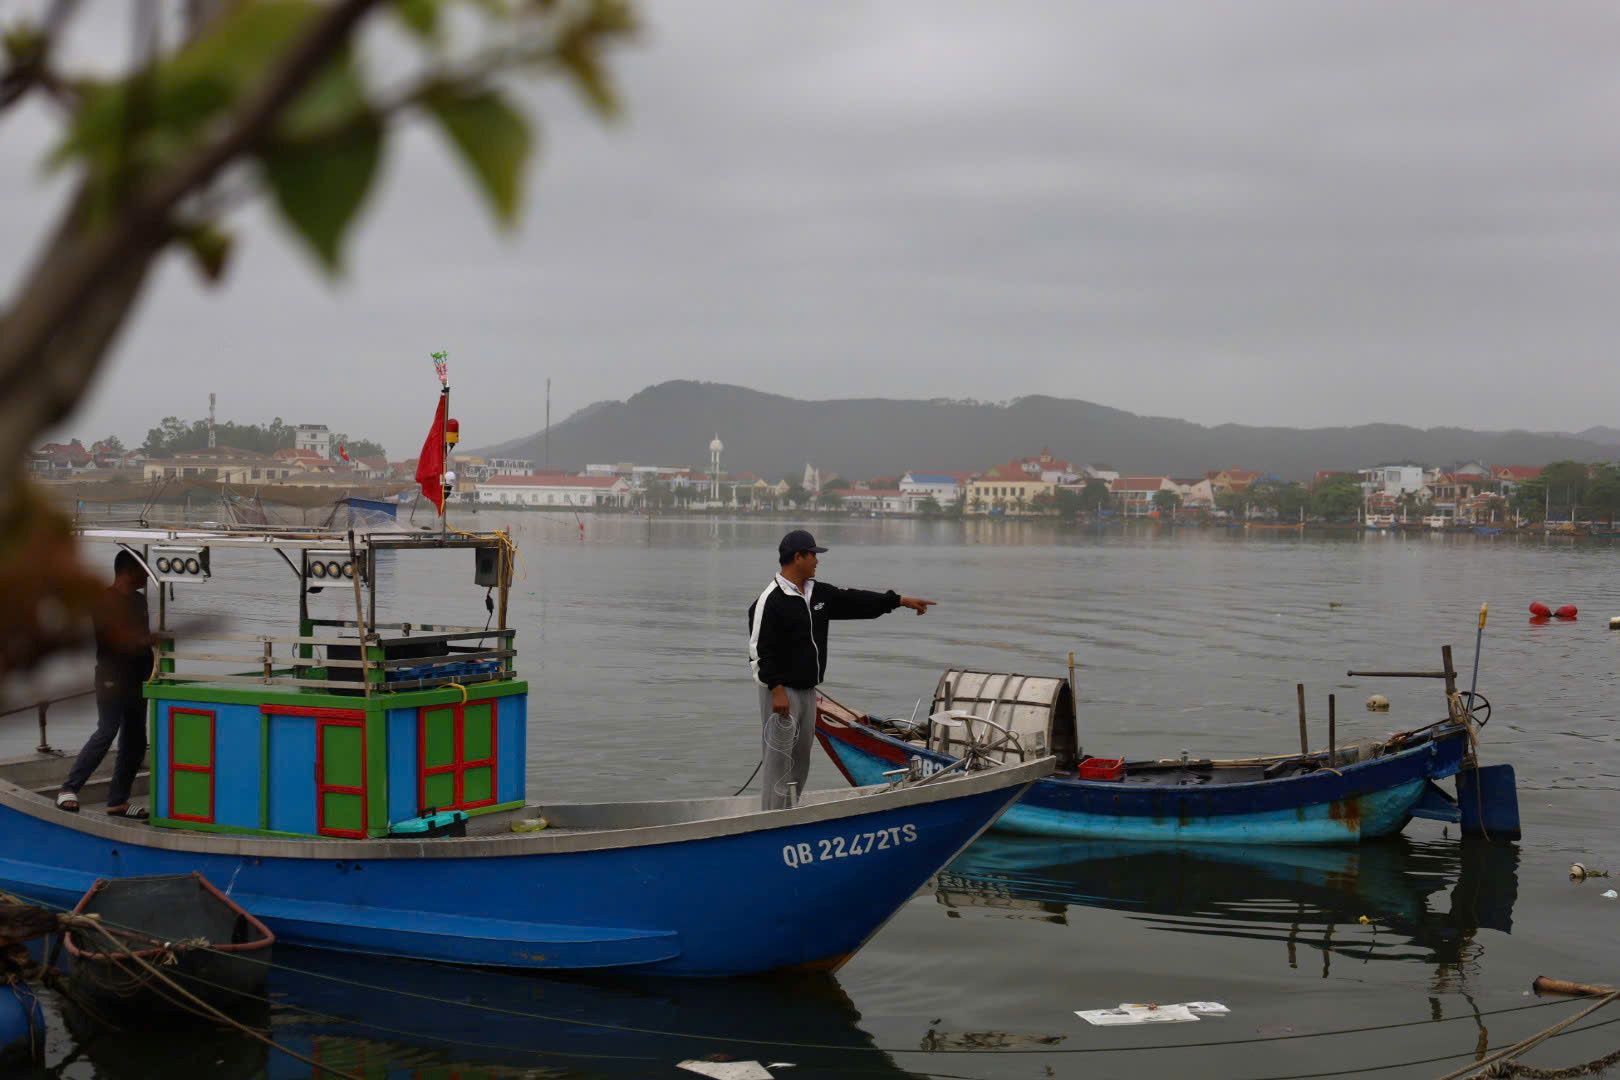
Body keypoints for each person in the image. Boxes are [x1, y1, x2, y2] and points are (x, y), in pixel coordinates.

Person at [747, 529, 934, 810]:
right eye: (813, 555)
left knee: (800, 759)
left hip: (808, 691)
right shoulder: (769, 600)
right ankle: (771, 820)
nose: (817, 561)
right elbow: (759, 652)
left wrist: (899, 601)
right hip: (781, 694)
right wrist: (776, 690)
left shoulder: (817, 593)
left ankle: (790, 812)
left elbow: (856, 601)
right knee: (778, 762)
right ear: (797, 557)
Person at [57, 550, 153, 817]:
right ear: (127, 571)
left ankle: (118, 800)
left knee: (135, 739)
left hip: (138, 678)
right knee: (107, 730)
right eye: (143, 570)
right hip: (112, 676)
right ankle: (69, 788)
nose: (147, 575)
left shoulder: (138, 601)